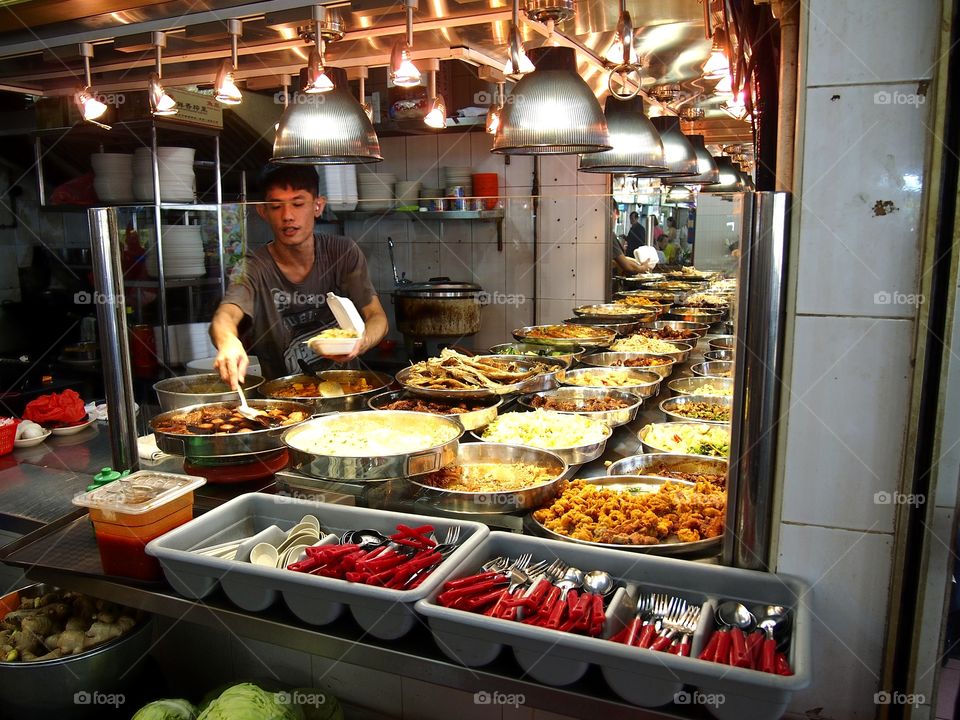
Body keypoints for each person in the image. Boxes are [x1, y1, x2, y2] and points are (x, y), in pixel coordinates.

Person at [210, 165, 389, 387]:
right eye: (276, 206)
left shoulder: (342, 252)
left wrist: (361, 343)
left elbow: (377, 317)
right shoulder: (251, 268)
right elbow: (226, 315)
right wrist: (228, 341)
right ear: (263, 212)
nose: (287, 216)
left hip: (348, 392)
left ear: (318, 206)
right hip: (284, 400)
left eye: (298, 204)